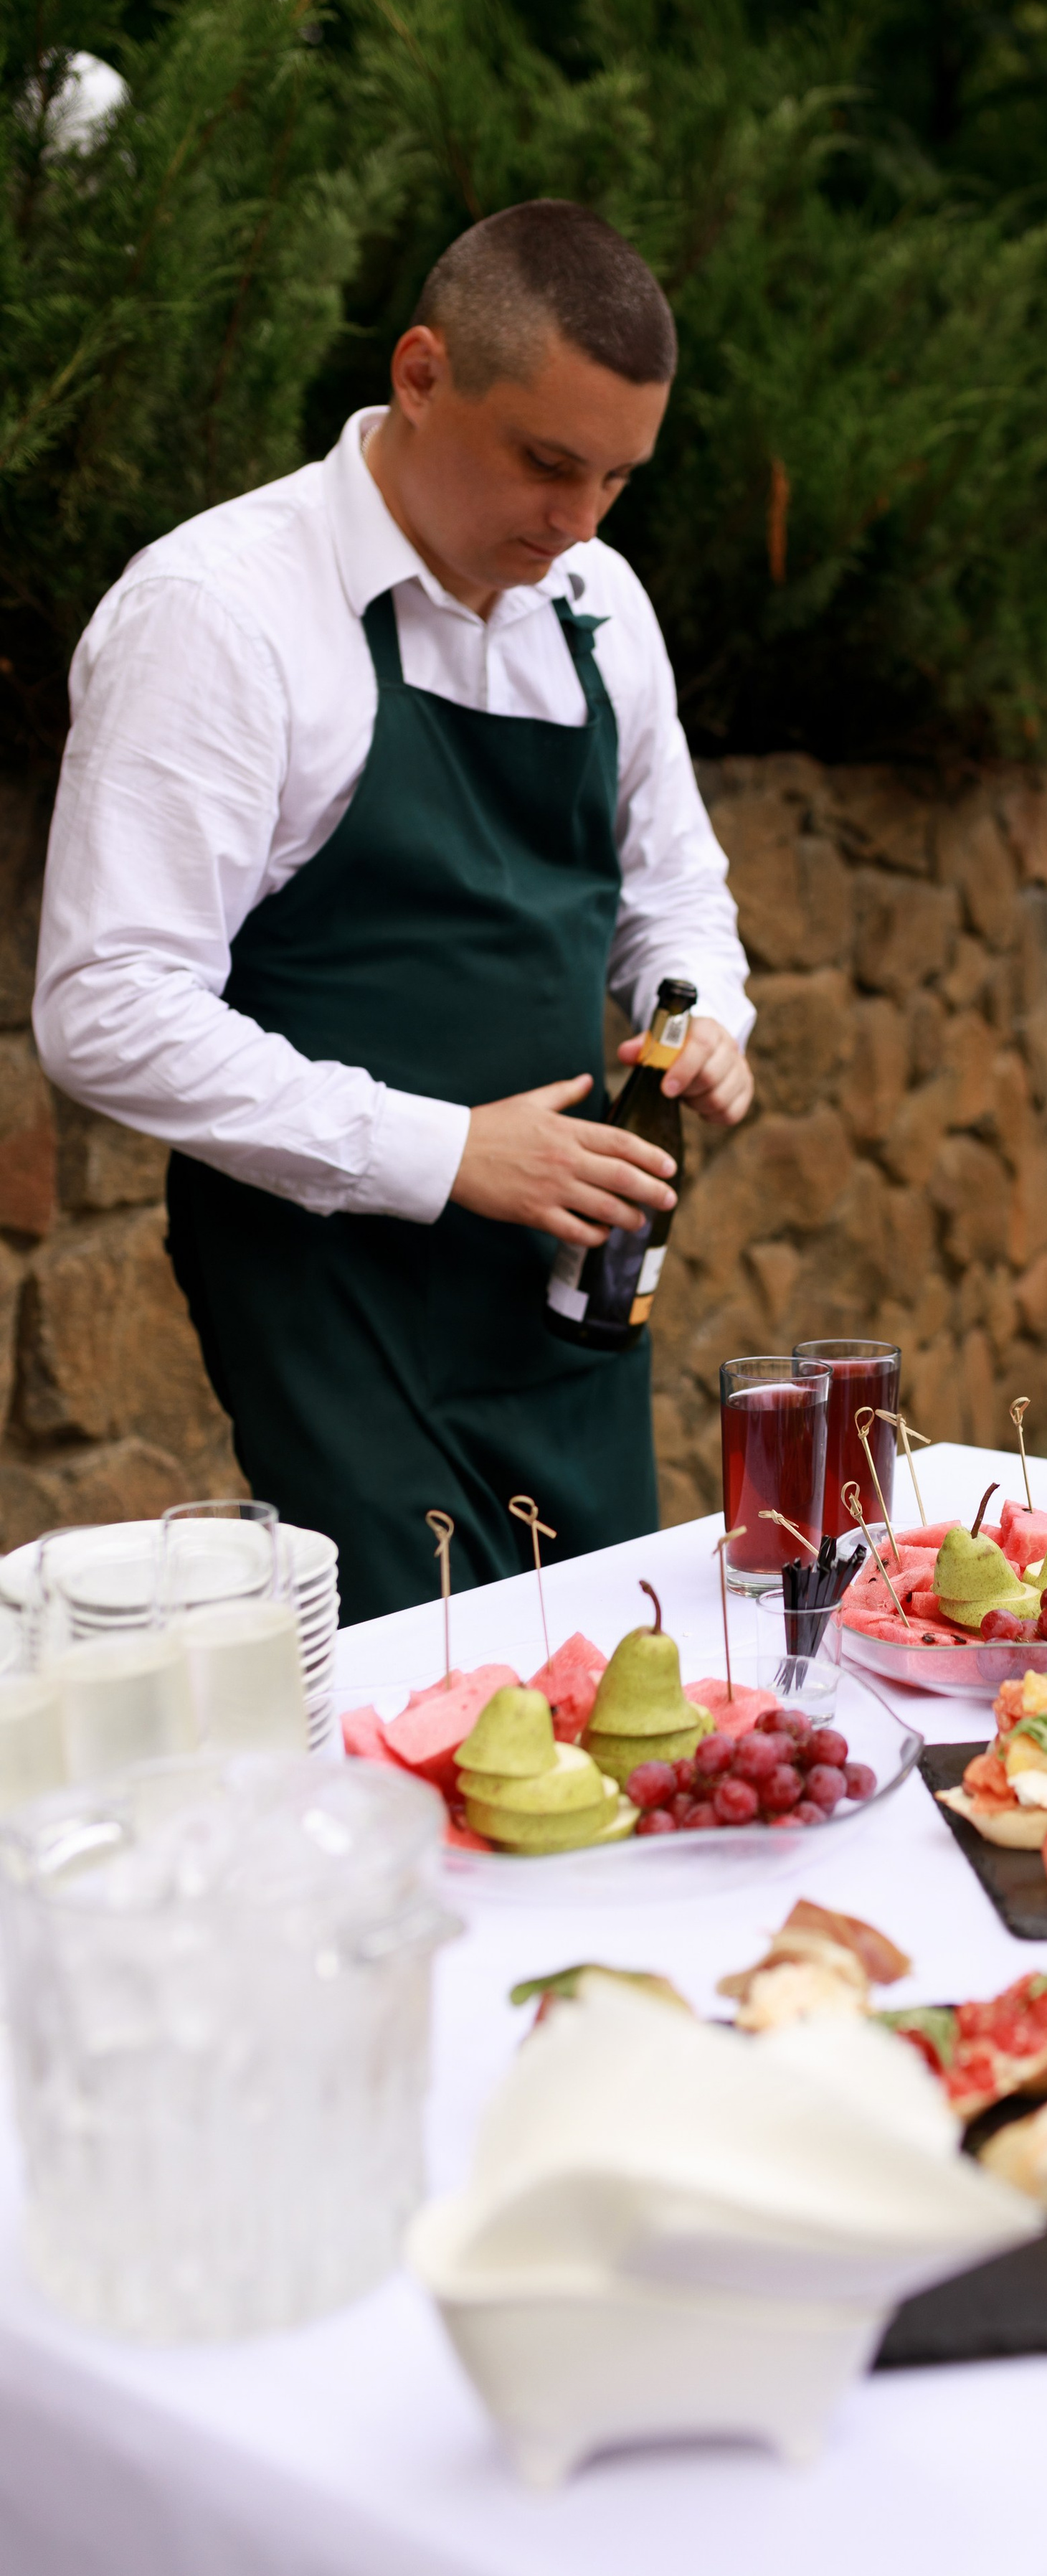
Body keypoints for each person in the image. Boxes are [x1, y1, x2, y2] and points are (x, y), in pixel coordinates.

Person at [34, 201, 755, 1623]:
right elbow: (104, 1005)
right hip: (330, 1303)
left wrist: (703, 1013)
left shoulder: (601, 600)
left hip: (573, 1296)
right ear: (420, 374)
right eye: (547, 464)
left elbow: (672, 890)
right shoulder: (219, 612)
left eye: (618, 478)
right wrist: (445, 1152)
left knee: (618, 1687)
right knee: (416, 1718)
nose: (579, 522)